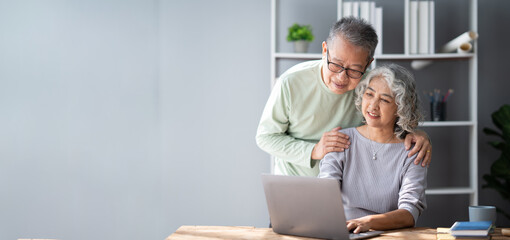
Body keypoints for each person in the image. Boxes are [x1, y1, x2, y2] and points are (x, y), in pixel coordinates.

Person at [256, 17, 432, 177]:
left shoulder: (370, 87)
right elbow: (265, 137)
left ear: (368, 63)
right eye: (336, 64)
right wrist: (314, 150)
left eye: (354, 70)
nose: (341, 77)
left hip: (345, 188)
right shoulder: (291, 82)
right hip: (294, 182)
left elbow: (387, 124)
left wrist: (417, 134)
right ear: (324, 50)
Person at [318, 64, 427, 233]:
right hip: (342, 232)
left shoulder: (412, 152)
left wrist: (368, 222)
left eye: (384, 100)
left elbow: (409, 214)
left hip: (387, 235)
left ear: (401, 107)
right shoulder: (341, 140)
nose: (373, 105)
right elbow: (323, 194)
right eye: (369, 94)